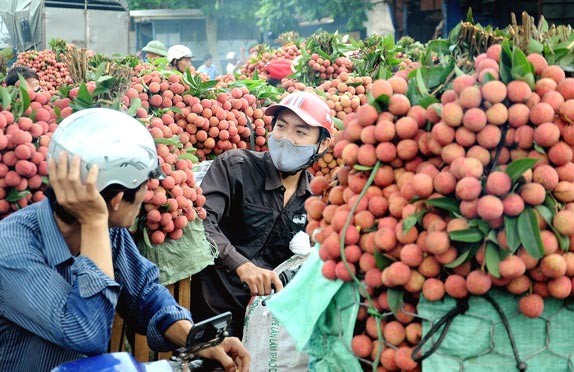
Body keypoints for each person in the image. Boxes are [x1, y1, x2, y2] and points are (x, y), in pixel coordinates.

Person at [0, 108, 249, 372]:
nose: (146, 196)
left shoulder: (110, 230)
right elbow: (87, 333)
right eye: (145, 185)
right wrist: (95, 224)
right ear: (117, 200)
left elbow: (146, 294)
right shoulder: (11, 248)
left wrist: (194, 339)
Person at [190, 92, 333, 338]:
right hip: (212, 311)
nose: (286, 139)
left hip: (269, 326)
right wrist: (240, 265)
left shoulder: (315, 201)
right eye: (281, 127)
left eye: (300, 132)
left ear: (322, 145)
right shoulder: (234, 166)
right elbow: (202, 221)